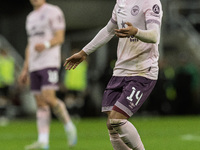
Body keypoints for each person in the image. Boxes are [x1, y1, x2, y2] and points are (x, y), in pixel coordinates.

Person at [64, 0, 163, 149]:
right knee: (112, 125)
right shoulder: (121, 2)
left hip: (142, 71)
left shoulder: (150, 2)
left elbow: (154, 35)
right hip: (120, 71)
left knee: (117, 120)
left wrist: (136, 32)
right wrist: (84, 52)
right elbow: (109, 30)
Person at [18, 0, 77, 149]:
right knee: (40, 103)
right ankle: (43, 141)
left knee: (49, 98)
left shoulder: (53, 11)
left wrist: (45, 45)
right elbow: (29, 45)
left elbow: (60, 37)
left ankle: (69, 126)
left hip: (49, 62)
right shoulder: (30, 17)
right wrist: (25, 68)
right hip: (34, 65)